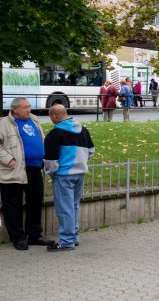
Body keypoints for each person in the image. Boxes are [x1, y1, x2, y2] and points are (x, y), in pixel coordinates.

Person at [0, 98, 53, 250]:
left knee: (35, 202)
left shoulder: (34, 120)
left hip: (34, 168)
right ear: (15, 109)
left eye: (29, 106)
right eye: (25, 107)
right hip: (13, 170)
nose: (29, 109)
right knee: (13, 205)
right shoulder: (4, 123)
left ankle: (34, 235)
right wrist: (8, 159)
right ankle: (18, 238)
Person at [43, 105, 94, 251]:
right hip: (80, 174)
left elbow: (50, 161)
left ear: (53, 116)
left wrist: (53, 172)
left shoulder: (55, 134)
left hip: (63, 176)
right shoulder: (83, 130)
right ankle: (74, 237)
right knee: (74, 207)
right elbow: (91, 151)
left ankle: (66, 242)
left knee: (65, 209)